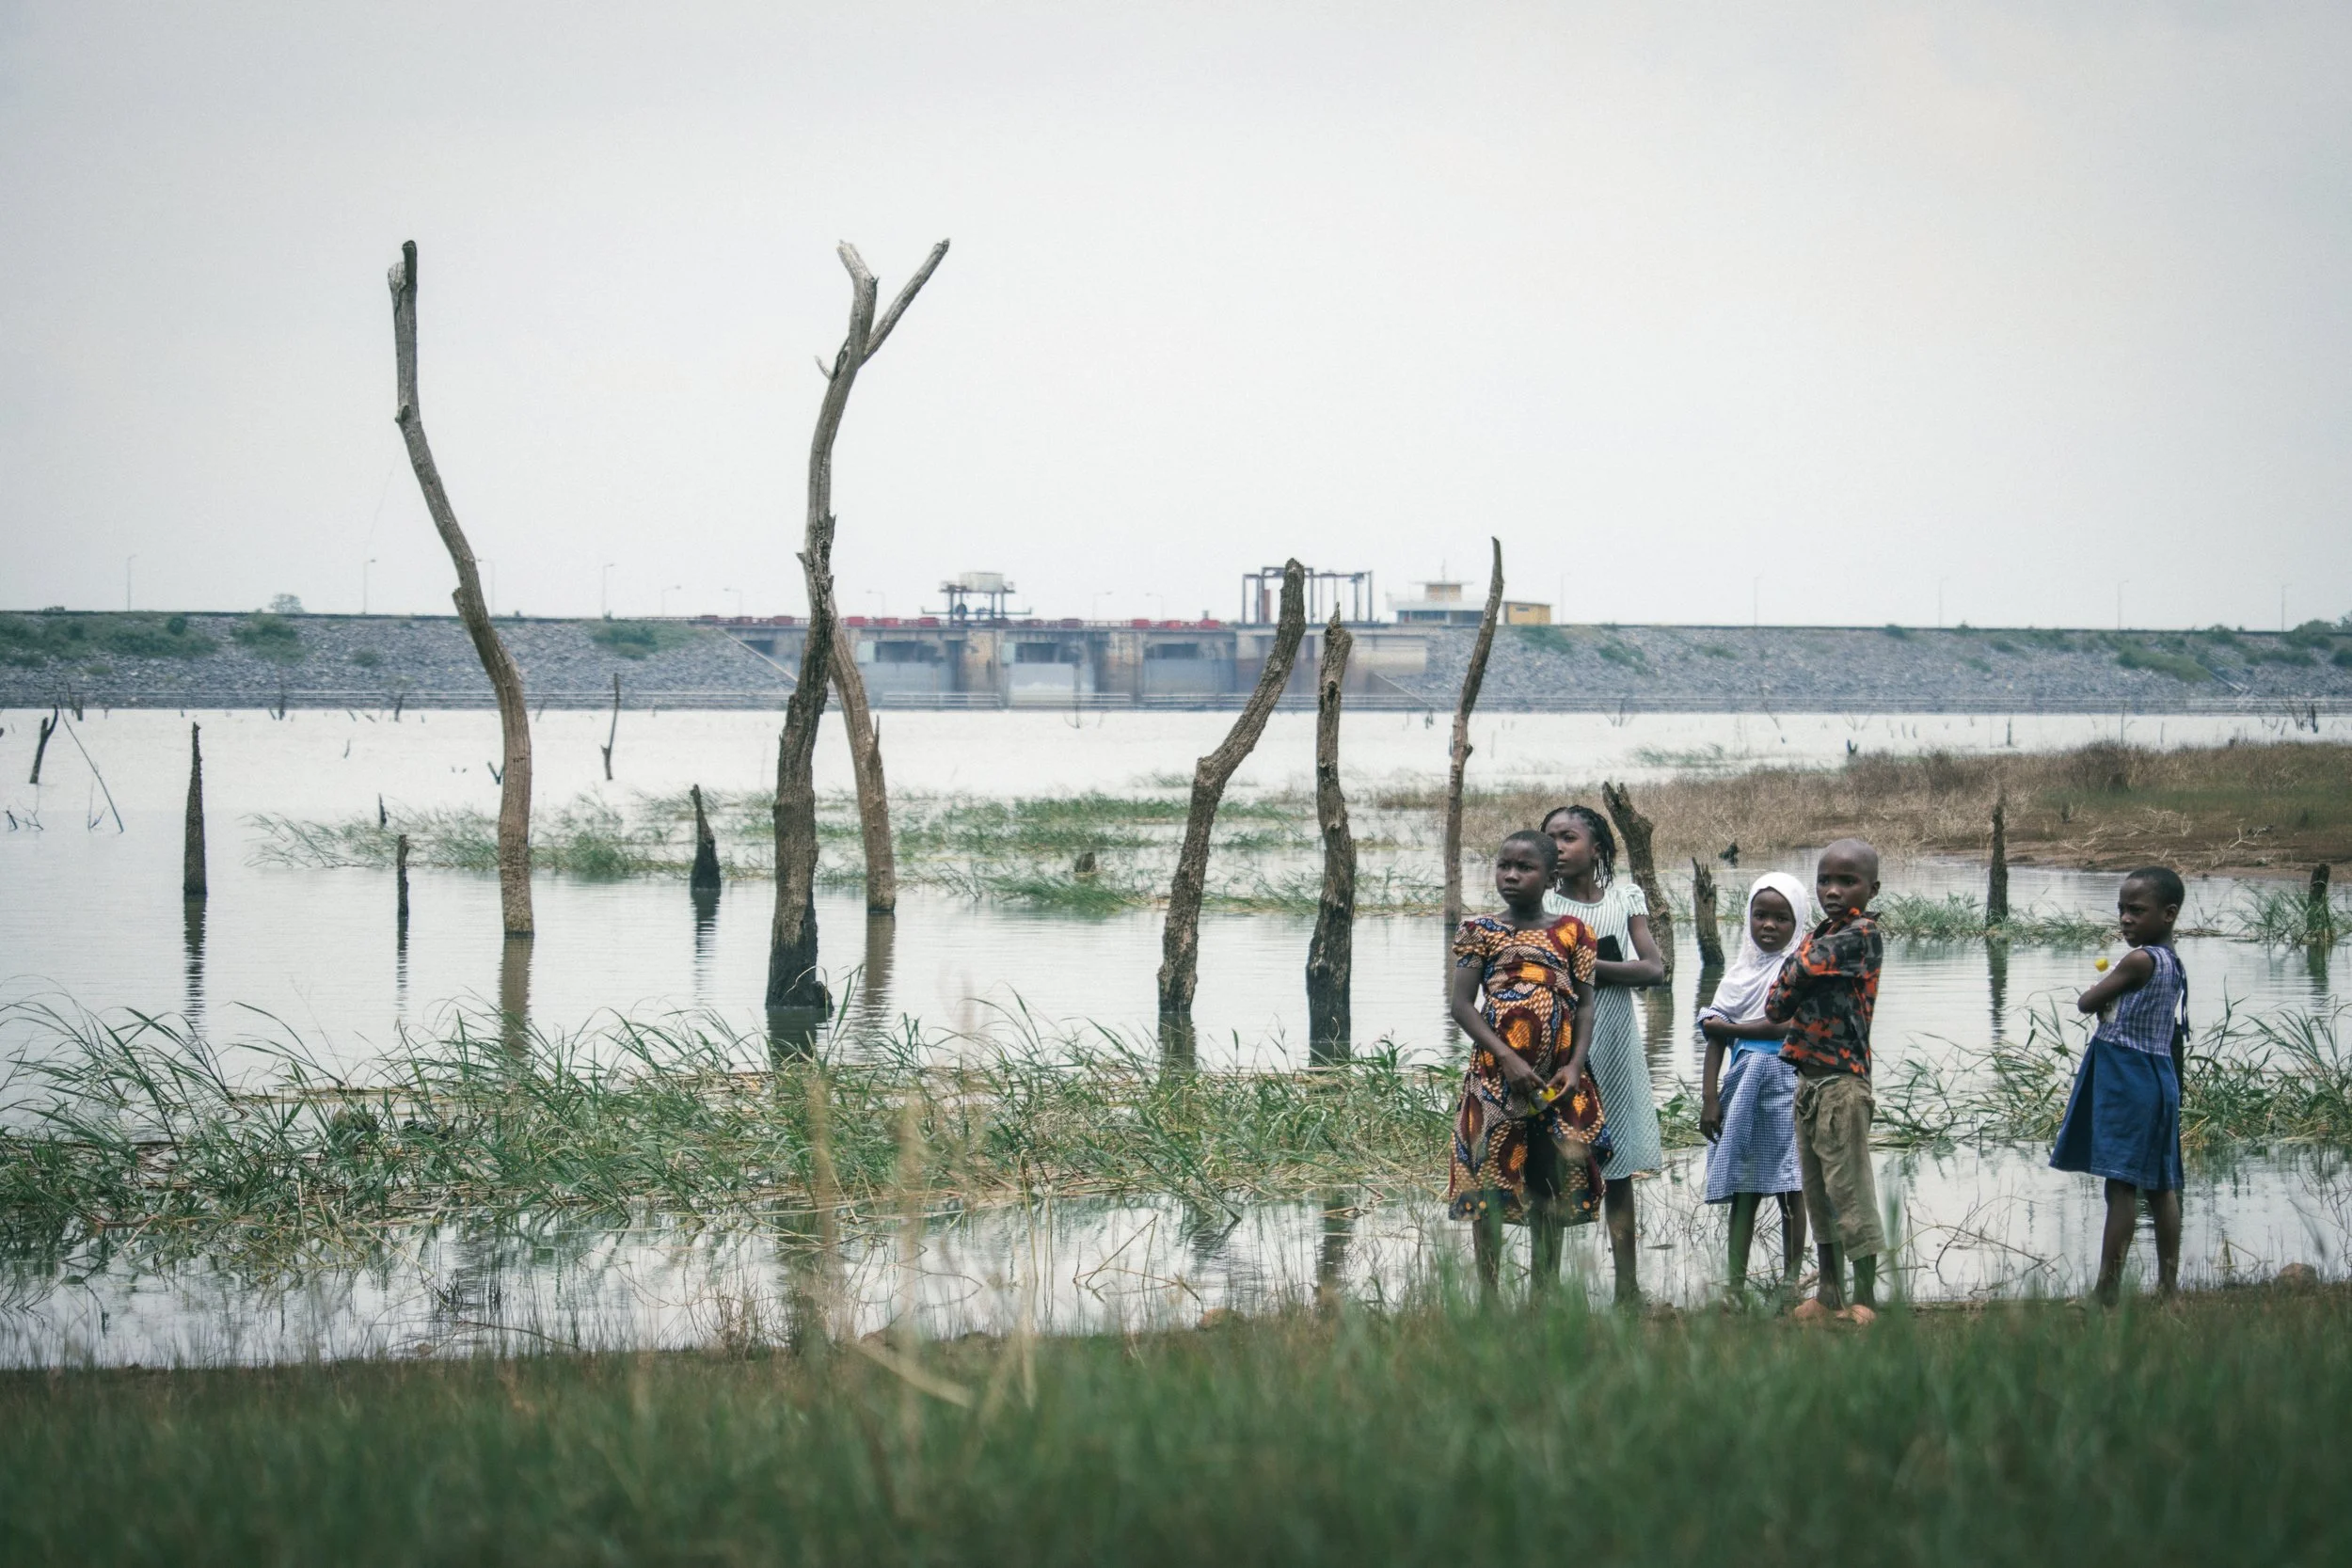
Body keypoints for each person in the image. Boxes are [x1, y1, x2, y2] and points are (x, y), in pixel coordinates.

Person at [1448, 830, 1613, 1300]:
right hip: (1494, 1080)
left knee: (1549, 1184)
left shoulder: (1573, 932)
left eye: (1525, 868)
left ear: (1551, 875)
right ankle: (1489, 1299)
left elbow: (1584, 1006)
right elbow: (1461, 1006)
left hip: (1556, 1081)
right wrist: (1507, 1058)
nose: (1512, 876)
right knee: (1489, 1186)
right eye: (1505, 866)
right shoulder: (1479, 930)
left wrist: (1577, 1065)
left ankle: (1544, 1296)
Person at [1540, 805, 1665, 1307]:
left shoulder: (1623, 898)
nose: (1557, 847)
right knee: (1553, 1162)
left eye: (1568, 837)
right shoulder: (1540, 900)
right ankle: (1545, 1288)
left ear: (1599, 849)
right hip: (1560, 1043)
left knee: (1619, 1170)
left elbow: (1654, 968)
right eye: (1549, 838)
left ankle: (1627, 1290)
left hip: (1614, 1038)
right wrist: (1605, 966)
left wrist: (1586, 965)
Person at [2051, 866, 2188, 1305]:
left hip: (2127, 1076)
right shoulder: (2174, 963)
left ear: (2168, 914)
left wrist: (2101, 990)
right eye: (2122, 910)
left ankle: (2106, 1290)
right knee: (2162, 1184)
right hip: (2158, 1075)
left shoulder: (2139, 960)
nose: (2126, 919)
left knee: (2121, 1184)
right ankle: (2168, 1289)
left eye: (2137, 910)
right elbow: (2171, 1033)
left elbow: (2085, 1002)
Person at [1764, 838, 1885, 1325]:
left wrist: (1799, 965)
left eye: (1847, 881)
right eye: (1825, 881)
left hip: (1841, 1084)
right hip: (1809, 1081)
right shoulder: (1824, 932)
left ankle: (1866, 1298)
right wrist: (1799, 967)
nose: (1833, 890)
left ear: (1872, 889)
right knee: (1817, 1194)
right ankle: (1829, 1292)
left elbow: (1799, 969)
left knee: (1850, 1192)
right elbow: (1775, 1005)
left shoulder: (1863, 934)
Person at [1696, 873, 1811, 1300]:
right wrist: (1710, 1100)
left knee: (1790, 1183)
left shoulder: (1800, 970)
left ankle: (1790, 1281)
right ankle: (1735, 1284)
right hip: (1744, 1086)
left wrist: (1727, 1025)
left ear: (1797, 922)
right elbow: (1715, 1040)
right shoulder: (1739, 974)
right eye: (1760, 916)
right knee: (1745, 1185)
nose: (1769, 926)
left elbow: (1785, 1025)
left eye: (1782, 919)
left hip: (1788, 1084)